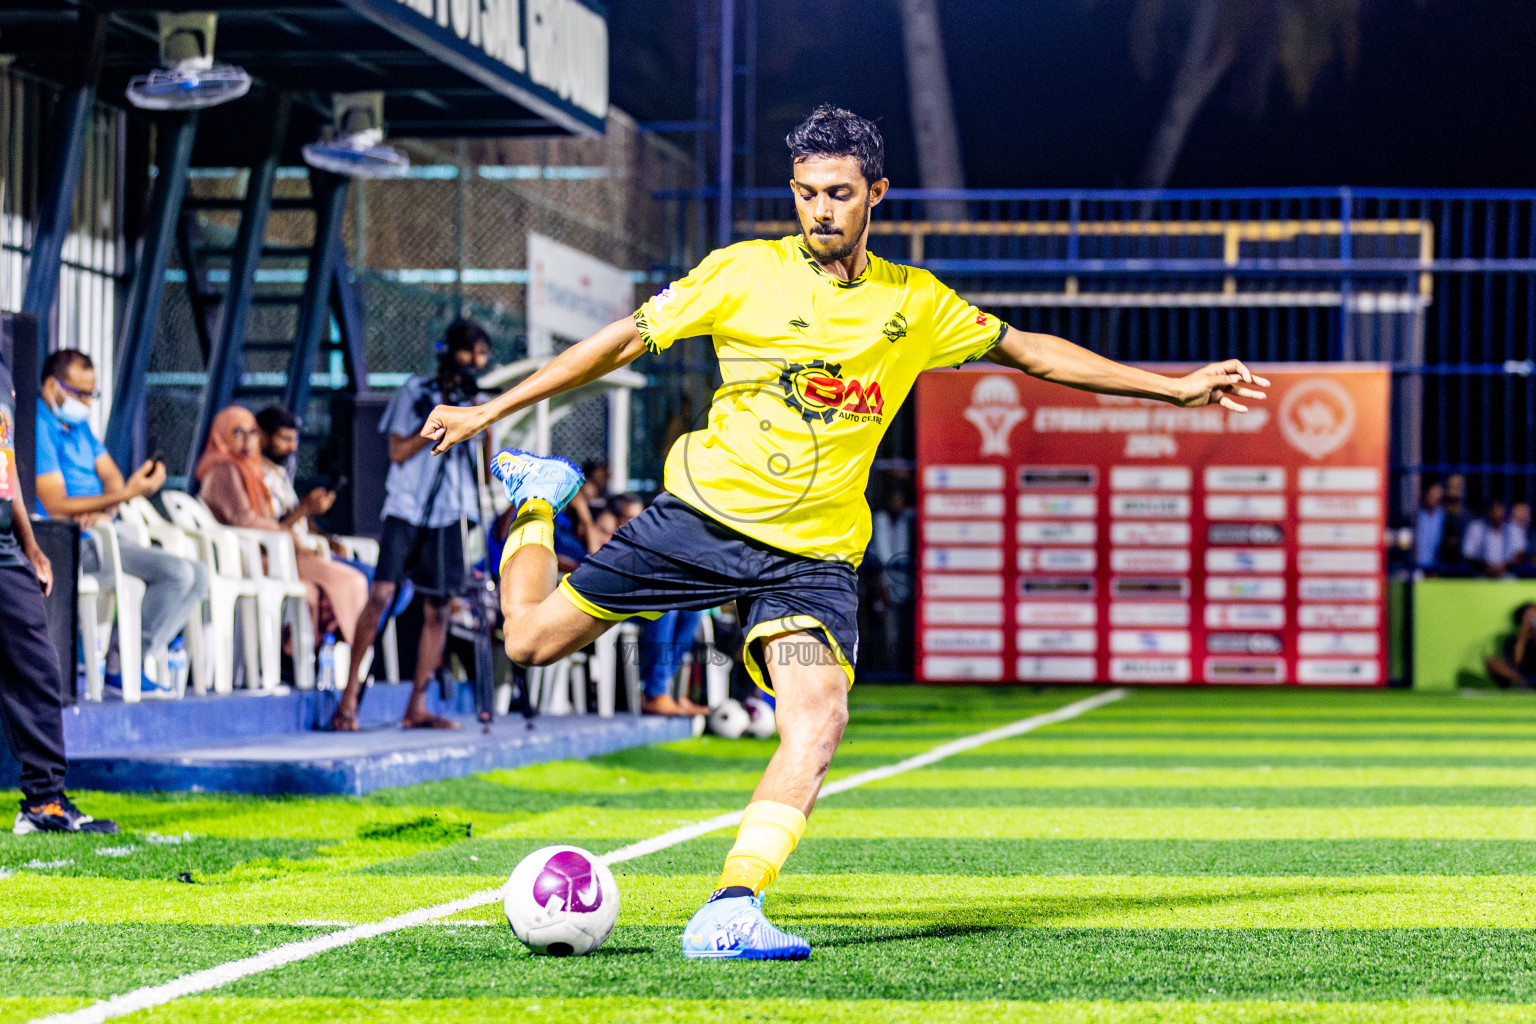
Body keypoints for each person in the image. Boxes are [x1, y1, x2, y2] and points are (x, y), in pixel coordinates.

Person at [422, 105, 1269, 960]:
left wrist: (1172, 388)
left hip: (812, 559)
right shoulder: (744, 272)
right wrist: (496, 408)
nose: (820, 210)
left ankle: (731, 907)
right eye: (805, 194)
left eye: (838, 193)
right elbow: (618, 342)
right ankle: (538, 497)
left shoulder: (915, 303)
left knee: (818, 722)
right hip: (705, 518)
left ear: (876, 195)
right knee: (528, 643)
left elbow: (1032, 352)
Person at [331, 319, 493, 732]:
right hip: (406, 508)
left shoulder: (478, 400)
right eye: (469, 352)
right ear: (450, 352)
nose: (476, 362)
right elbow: (399, 450)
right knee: (382, 594)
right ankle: (348, 700)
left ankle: (416, 706)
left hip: (451, 510)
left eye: (482, 356)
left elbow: (484, 475)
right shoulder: (414, 390)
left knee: (438, 606)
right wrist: (441, 424)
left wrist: (480, 418)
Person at [34, 349, 209, 686]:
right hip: (68, 544)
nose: (87, 402)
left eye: (92, 393)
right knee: (178, 574)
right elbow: (56, 504)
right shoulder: (40, 426)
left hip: (101, 532)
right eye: (80, 393)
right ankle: (121, 661)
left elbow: (112, 476)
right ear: (53, 386)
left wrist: (105, 509)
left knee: (199, 575)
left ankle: (132, 657)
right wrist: (125, 496)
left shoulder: (78, 427)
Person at [0, 352, 116, 833]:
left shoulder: (4, 367)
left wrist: (29, 543)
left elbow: (5, 466)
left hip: (5, 547)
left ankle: (44, 801)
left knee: (38, 669)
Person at [196, 407, 369, 655]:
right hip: (255, 556)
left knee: (340, 588)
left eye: (251, 433)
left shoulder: (252, 470)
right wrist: (287, 531)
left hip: (275, 550)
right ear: (221, 435)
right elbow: (245, 521)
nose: (247, 441)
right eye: (238, 433)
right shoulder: (224, 470)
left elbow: (266, 517)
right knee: (357, 581)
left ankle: (312, 657)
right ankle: (348, 657)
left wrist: (320, 537)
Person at [1462, 499, 1526, 577]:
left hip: (1508, 573)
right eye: (1494, 510)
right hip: (1480, 573)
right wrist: (1486, 566)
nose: (1497, 514)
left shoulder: (1514, 529)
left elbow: (1520, 554)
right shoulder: (1476, 528)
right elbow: (1468, 555)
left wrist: (1503, 566)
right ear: (1489, 511)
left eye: (1500, 510)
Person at [1486, 602, 1536, 689]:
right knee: (1491, 661)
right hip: (1522, 676)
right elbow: (1516, 662)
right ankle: (1523, 684)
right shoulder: (1513, 639)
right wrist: (1523, 638)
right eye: (1529, 616)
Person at [1414, 479, 1445, 573]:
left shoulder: (1443, 515)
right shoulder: (1416, 515)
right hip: (1416, 565)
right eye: (1431, 494)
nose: (1434, 497)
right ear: (1425, 494)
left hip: (1437, 567)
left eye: (1437, 495)